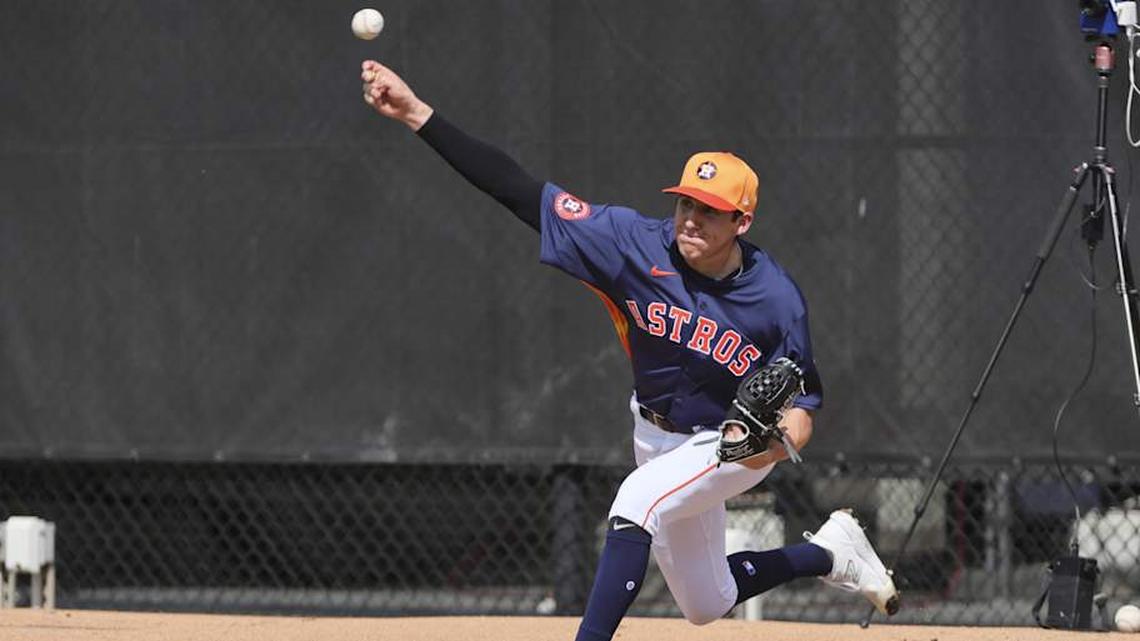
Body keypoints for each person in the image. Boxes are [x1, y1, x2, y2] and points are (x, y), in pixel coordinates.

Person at [359, 59, 899, 640]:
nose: (691, 219)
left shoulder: (776, 300)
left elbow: (803, 407)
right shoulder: (627, 242)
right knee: (704, 599)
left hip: (729, 443)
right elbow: (516, 189)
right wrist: (416, 112)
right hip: (654, 432)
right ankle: (828, 553)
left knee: (634, 501)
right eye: (686, 202)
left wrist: (775, 443)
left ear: (742, 221)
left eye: (710, 211)